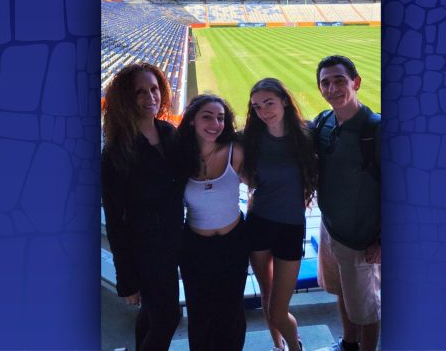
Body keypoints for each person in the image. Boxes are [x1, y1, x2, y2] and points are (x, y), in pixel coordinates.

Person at [101, 63, 184, 351]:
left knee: (151, 314)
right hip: (145, 250)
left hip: (172, 243)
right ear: (126, 99)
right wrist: (127, 278)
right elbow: (114, 219)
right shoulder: (116, 151)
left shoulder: (169, 133)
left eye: (154, 89)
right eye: (140, 92)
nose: (151, 96)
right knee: (169, 316)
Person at [243, 78, 318, 351]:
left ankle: (295, 346)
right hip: (259, 224)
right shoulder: (251, 138)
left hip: (291, 228)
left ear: (284, 100)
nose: (263, 111)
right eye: (257, 106)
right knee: (267, 294)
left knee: (279, 309)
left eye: (269, 103)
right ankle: (278, 346)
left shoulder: (307, 135)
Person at [312, 55, 381, 351]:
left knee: (367, 309)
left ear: (356, 82)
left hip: (362, 238)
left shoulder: (375, 130)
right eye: (325, 83)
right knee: (341, 291)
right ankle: (348, 344)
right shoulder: (323, 122)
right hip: (330, 229)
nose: (332, 88)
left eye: (339, 80)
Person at [178, 94, 248, 351]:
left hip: (233, 244)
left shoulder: (235, 151)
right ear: (192, 121)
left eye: (220, 118)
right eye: (207, 116)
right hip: (195, 247)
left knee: (230, 311)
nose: (215, 123)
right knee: (199, 311)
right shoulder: (180, 157)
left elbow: (259, 185)